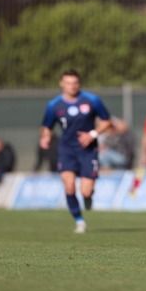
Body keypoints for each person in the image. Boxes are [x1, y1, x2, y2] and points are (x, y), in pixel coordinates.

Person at [40, 69, 112, 234]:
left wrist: (92, 134)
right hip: (66, 149)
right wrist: (45, 137)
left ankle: (88, 197)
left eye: (74, 83)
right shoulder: (53, 105)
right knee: (70, 186)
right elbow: (47, 126)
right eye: (68, 83)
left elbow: (107, 121)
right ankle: (79, 221)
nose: (71, 86)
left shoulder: (92, 100)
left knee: (85, 190)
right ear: (61, 84)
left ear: (79, 84)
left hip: (88, 150)